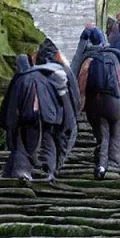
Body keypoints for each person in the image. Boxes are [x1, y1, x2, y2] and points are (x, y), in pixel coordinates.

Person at [74, 26, 120, 180]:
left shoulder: (88, 60)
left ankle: (101, 165)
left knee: (103, 134)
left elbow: (81, 85)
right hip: (114, 100)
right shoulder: (115, 56)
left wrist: (81, 107)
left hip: (95, 103)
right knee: (117, 132)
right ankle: (114, 164)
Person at [0, 54, 66, 181]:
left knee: (21, 144)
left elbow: (12, 104)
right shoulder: (43, 77)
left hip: (27, 117)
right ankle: (50, 171)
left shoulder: (20, 80)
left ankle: (22, 171)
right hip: (47, 116)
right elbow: (54, 98)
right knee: (48, 142)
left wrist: (10, 123)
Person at [35, 38, 81, 172]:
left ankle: (49, 168)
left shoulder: (36, 71)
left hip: (43, 113)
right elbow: (75, 92)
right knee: (63, 140)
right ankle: (56, 167)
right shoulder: (65, 70)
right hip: (63, 111)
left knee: (47, 140)